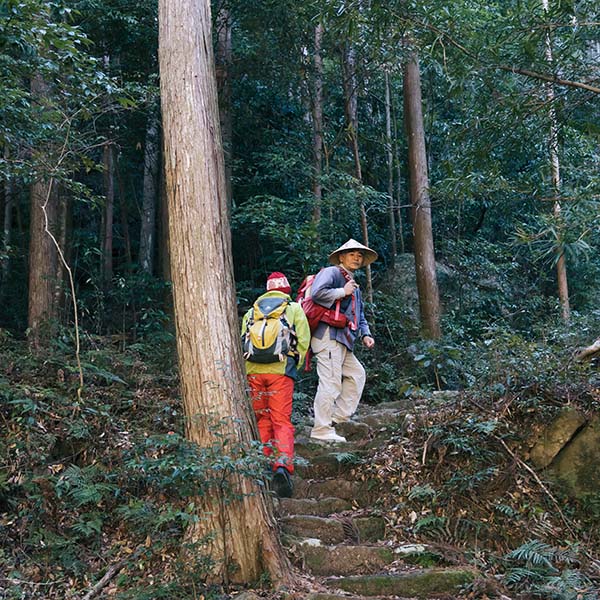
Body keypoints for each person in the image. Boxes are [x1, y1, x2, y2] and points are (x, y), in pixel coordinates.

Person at [242, 272, 310, 497]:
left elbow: (243, 339)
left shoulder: (252, 312)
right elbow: (303, 340)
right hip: (280, 371)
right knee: (281, 421)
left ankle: (262, 463)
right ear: (286, 290)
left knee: (262, 419)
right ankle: (282, 467)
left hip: (254, 372)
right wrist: (294, 365)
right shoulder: (292, 309)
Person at [309, 239, 377, 443]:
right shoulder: (332, 273)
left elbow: (360, 314)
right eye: (352, 254)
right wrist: (341, 291)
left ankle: (337, 419)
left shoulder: (353, 285)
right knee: (330, 383)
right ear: (341, 257)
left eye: (359, 255)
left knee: (357, 375)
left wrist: (366, 334)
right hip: (328, 336)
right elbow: (316, 293)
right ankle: (321, 429)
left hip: (344, 340)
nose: (357, 258)